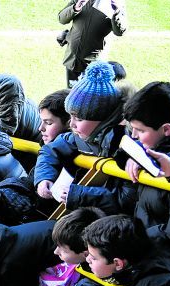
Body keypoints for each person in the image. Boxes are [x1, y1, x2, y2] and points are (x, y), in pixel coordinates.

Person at [34, 61, 131, 214]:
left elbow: (127, 199)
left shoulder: (126, 144)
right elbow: (49, 151)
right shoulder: (78, 137)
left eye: (79, 118)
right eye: (70, 116)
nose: (71, 124)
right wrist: (43, 178)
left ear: (102, 118)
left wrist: (78, 195)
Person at [121, 82, 170, 264]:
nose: (134, 136)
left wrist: (136, 245)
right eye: (132, 128)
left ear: (167, 129)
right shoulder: (152, 145)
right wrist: (134, 156)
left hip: (165, 261)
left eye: (140, 130)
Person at [58, 0, 127, 87]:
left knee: (90, 96)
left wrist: (117, 12)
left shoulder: (116, 3)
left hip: (93, 64)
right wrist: (75, 8)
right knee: (71, 94)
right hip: (73, 60)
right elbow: (61, 18)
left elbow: (120, 32)